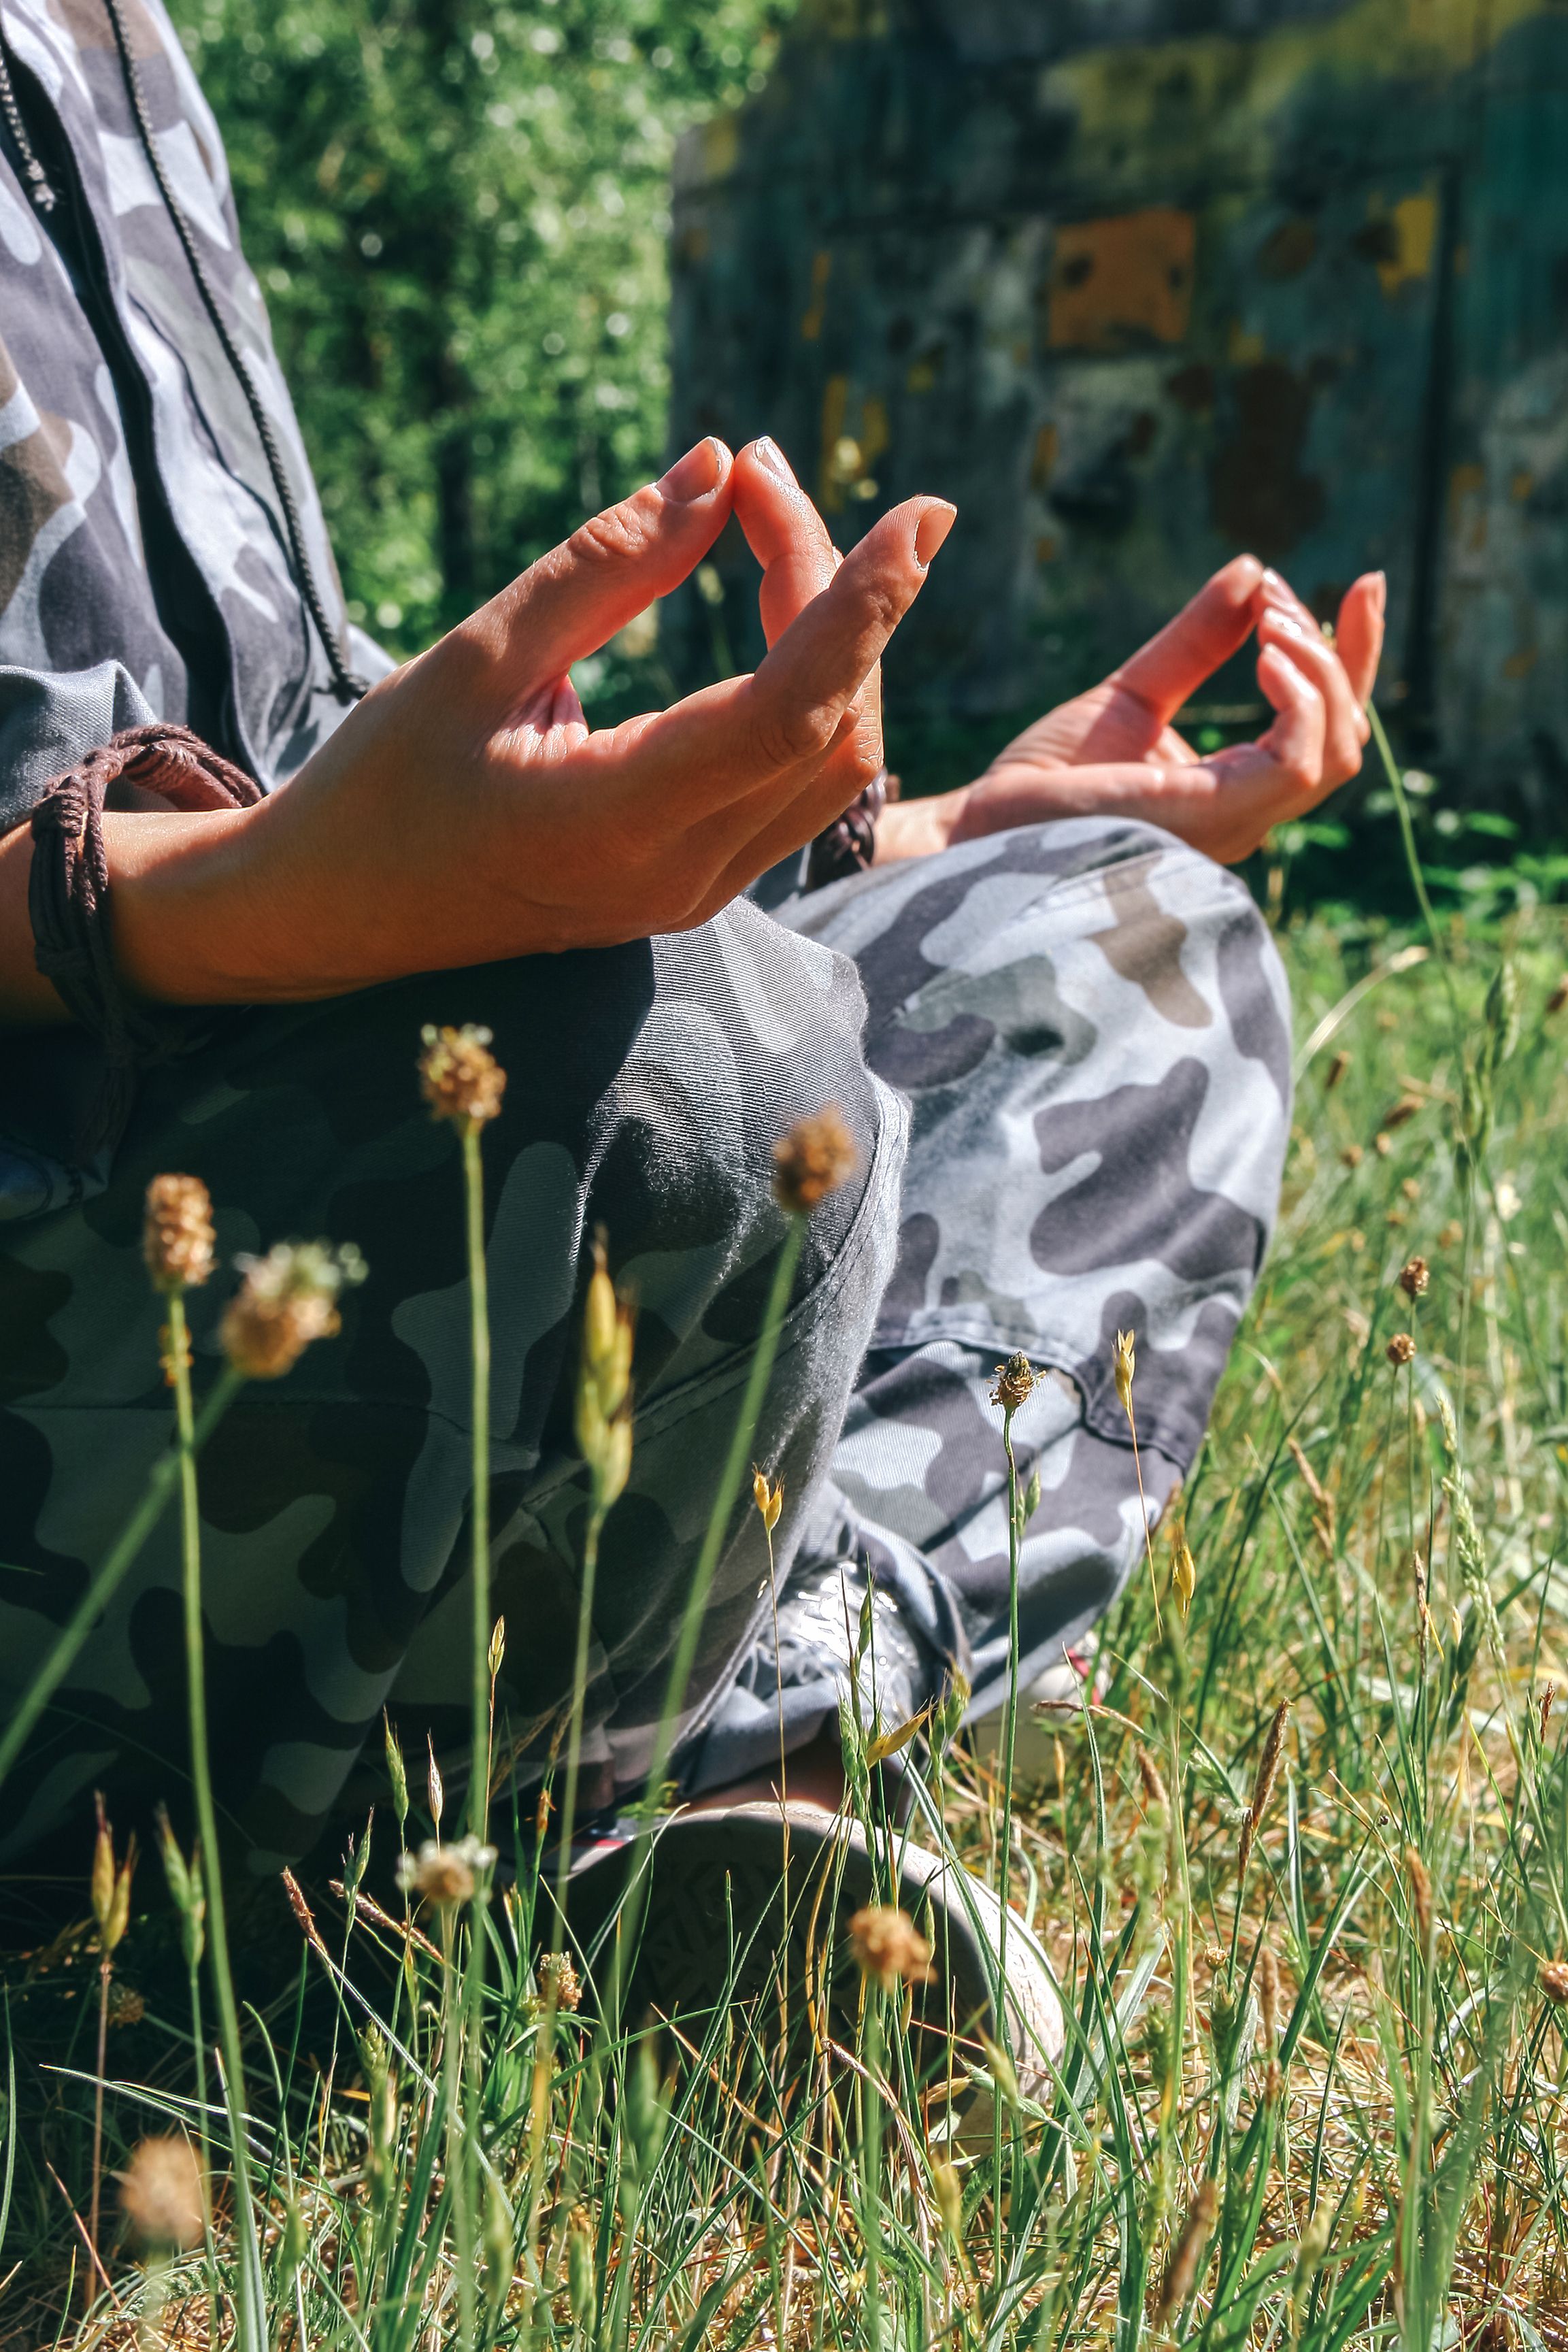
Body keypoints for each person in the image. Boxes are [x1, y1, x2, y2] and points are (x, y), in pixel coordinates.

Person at [0, 0, 1382, 2015]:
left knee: (1109, 945)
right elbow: (250, 867)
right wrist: (223, 908)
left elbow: (271, 755)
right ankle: (634, 1810)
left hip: (228, 1115)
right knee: (676, 1062)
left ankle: (735, 1756)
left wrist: (911, 830)